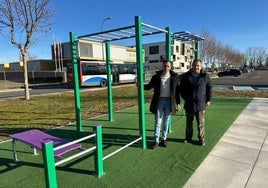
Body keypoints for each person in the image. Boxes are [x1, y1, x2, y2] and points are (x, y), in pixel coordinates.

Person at [143, 60, 180, 149]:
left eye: (168, 66)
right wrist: (140, 85)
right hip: (159, 101)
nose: (166, 68)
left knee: (166, 121)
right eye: (164, 66)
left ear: (170, 67)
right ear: (162, 66)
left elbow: (177, 91)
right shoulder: (156, 76)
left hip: (169, 102)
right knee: (158, 121)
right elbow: (149, 86)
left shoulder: (174, 77)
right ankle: (156, 140)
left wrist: (178, 103)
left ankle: (164, 139)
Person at [180, 59, 212, 146]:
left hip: (200, 104)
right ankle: (188, 137)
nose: (196, 67)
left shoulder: (205, 76)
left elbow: (209, 88)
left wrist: (208, 99)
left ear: (201, 67)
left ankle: (201, 139)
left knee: (200, 124)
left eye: (198, 65)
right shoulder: (186, 76)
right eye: (194, 65)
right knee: (189, 123)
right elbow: (181, 89)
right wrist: (186, 98)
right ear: (192, 66)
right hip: (189, 104)